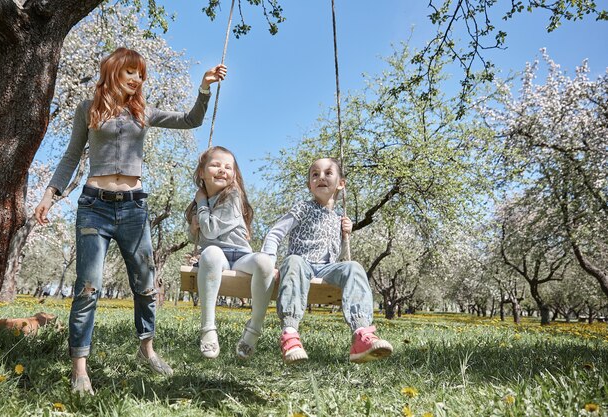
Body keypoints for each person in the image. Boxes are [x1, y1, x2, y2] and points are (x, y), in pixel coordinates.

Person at [34, 47, 227, 394]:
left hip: (134, 208)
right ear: (113, 72)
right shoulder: (88, 109)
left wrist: (204, 88)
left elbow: (190, 120)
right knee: (88, 287)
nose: (137, 79)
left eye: (140, 74)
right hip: (94, 205)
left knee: (146, 284)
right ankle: (80, 367)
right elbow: (71, 155)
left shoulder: (143, 111)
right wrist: (50, 195)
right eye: (131, 72)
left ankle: (146, 349)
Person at [261, 158, 393, 364]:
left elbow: (335, 253)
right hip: (301, 263)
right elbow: (275, 233)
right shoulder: (302, 208)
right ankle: (290, 334)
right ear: (309, 185)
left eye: (328, 173)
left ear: (341, 183)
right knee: (293, 261)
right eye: (315, 174)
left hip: (326, 269)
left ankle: (361, 333)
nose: (321, 177)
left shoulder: (339, 218)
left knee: (354, 267)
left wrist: (345, 233)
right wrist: (268, 261)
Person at [187, 146, 275, 360]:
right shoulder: (199, 204)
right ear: (202, 172)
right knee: (210, 253)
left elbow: (210, 229)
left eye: (228, 167)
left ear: (234, 174)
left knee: (264, 262)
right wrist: (193, 225)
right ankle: (208, 329)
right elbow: (197, 236)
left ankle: (253, 330)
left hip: (240, 256)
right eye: (215, 165)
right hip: (217, 258)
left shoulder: (233, 195)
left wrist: (201, 202)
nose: (222, 170)